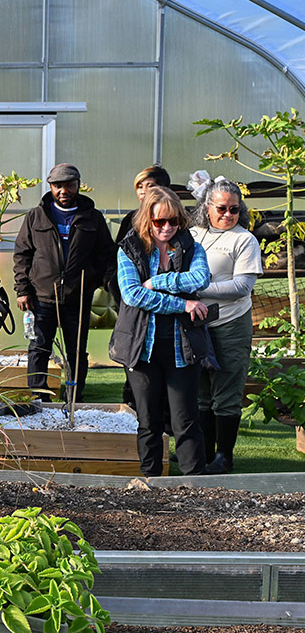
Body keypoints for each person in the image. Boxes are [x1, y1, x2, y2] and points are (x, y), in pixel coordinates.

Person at [111, 186, 211, 477]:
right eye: (159, 222)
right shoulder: (129, 249)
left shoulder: (192, 246)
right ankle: (151, 483)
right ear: (147, 221)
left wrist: (158, 281)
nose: (167, 227)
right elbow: (132, 296)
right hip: (142, 348)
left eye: (173, 221)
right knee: (148, 421)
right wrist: (183, 304)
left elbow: (201, 277)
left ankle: (196, 485)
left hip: (182, 347)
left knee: (186, 420)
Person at [13, 163, 115, 402]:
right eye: (58, 186)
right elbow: (22, 255)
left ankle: (73, 398)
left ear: (78, 185)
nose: (63, 190)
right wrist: (22, 290)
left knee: (76, 351)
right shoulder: (36, 216)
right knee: (39, 348)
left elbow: (107, 254)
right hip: (41, 296)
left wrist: (93, 280)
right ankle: (40, 396)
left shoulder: (93, 218)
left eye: (69, 185)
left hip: (78, 297)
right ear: (50, 187)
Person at [191, 175, 262, 474]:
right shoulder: (193, 234)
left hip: (231, 324)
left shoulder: (244, 239)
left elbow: (241, 286)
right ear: (207, 207)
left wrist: (194, 288)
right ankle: (205, 453)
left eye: (234, 209)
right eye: (221, 208)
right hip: (196, 324)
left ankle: (224, 457)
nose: (228, 215)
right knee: (202, 392)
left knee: (227, 392)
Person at [109, 165, 172, 408]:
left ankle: (165, 414)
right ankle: (133, 404)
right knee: (134, 352)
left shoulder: (174, 221)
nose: (144, 191)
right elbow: (117, 259)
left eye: (150, 186)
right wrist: (119, 293)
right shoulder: (130, 220)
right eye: (139, 187)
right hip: (132, 301)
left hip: (165, 305)